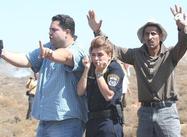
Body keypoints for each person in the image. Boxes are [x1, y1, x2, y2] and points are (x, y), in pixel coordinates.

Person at [87, 5, 187, 137]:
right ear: (143, 37)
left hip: (167, 111)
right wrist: (98, 31)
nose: (150, 37)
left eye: (154, 33)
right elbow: (113, 49)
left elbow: (184, 43)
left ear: (161, 36)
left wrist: (181, 28)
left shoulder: (171, 54)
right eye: (147, 34)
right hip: (145, 112)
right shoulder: (135, 55)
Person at [0, 14, 87, 137]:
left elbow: (66, 56)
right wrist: (2, 53)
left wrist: (51, 55)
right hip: (45, 120)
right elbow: (26, 59)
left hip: (67, 121)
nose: (50, 33)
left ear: (67, 32)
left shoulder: (78, 49)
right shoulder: (48, 47)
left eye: (54, 30)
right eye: (49, 30)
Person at [77, 36, 125, 137]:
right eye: (93, 55)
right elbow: (80, 91)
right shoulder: (91, 67)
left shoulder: (114, 69)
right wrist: (86, 69)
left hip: (108, 122)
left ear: (109, 55)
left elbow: (108, 95)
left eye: (100, 55)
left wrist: (99, 75)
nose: (96, 58)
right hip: (92, 121)